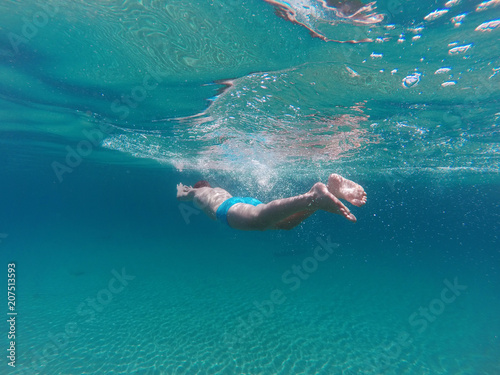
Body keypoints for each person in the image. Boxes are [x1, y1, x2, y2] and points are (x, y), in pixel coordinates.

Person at [176, 174, 367, 231]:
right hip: (239, 202)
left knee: (258, 221)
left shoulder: (197, 191)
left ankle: (313, 196)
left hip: (226, 210)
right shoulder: (215, 190)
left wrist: (182, 190)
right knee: (286, 224)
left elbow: (181, 196)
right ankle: (320, 197)